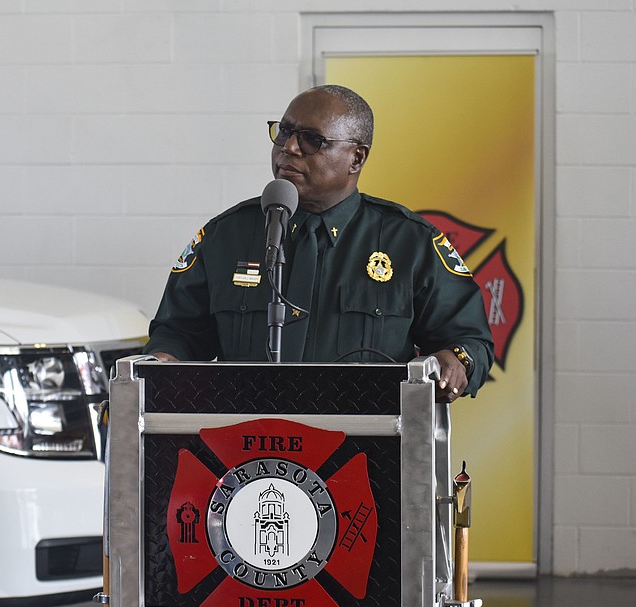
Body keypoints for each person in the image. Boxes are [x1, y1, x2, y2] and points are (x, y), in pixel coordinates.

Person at [143, 84, 493, 401]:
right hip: (246, 447)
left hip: (367, 447)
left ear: (356, 157)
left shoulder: (409, 242)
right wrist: (163, 359)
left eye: (311, 139)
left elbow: (469, 341)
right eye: (284, 132)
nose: (289, 148)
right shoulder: (226, 236)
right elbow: (178, 334)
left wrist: (454, 363)